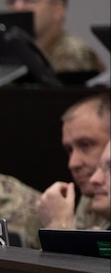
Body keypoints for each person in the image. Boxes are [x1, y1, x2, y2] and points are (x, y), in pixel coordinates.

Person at [7, 0, 105, 73]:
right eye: (13, 0)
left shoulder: (72, 53)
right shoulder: (17, 51)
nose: (18, 7)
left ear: (57, 10)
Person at [37, 92, 111, 231]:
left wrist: (60, 226)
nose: (73, 163)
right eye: (69, 150)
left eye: (86, 144)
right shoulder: (89, 199)